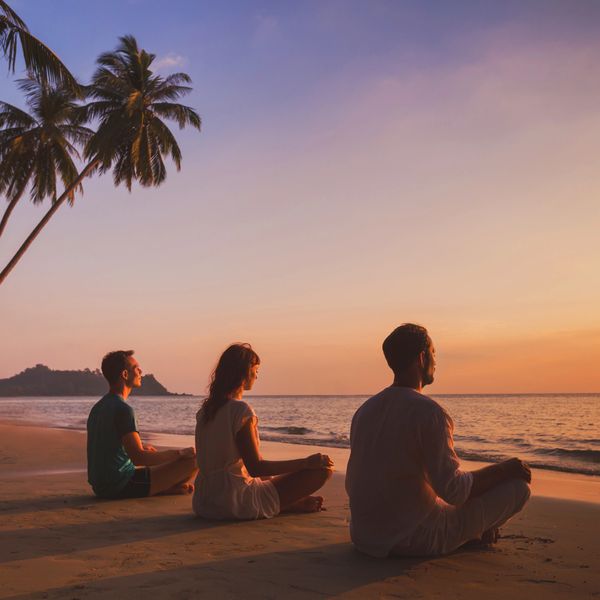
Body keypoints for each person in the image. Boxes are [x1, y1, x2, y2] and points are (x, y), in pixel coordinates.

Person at [345, 324, 531, 557]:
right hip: (412, 539)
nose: (436, 361)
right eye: (434, 353)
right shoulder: (430, 412)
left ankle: (474, 532)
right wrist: (504, 469)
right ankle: (471, 535)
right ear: (422, 358)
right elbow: (453, 491)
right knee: (518, 488)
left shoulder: (365, 410)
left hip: (364, 536)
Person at [192, 343, 333, 519]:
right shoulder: (240, 410)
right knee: (322, 471)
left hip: (204, 502)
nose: (257, 376)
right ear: (244, 372)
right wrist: (305, 462)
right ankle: (285, 504)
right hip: (233, 502)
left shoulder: (205, 411)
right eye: (256, 370)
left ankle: (286, 503)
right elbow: (256, 468)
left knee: (266, 478)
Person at [87, 350, 197, 499]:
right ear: (125, 375)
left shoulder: (99, 407)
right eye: (136, 368)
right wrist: (179, 453)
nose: (141, 371)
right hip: (120, 485)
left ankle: (163, 487)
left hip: (100, 486)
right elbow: (139, 459)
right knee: (196, 459)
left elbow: (107, 444)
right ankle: (160, 488)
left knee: (150, 452)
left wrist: (142, 447)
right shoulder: (123, 409)